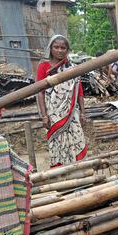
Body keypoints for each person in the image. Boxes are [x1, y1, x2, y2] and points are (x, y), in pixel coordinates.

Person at [37, 35, 88, 168]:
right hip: (53, 112)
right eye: (56, 47)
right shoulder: (43, 67)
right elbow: (40, 92)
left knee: (77, 138)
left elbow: (79, 91)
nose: (59, 50)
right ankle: (61, 173)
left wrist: (83, 112)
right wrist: (44, 116)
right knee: (57, 141)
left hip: (72, 112)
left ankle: (79, 171)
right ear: (51, 48)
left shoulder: (72, 67)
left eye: (63, 48)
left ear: (67, 50)